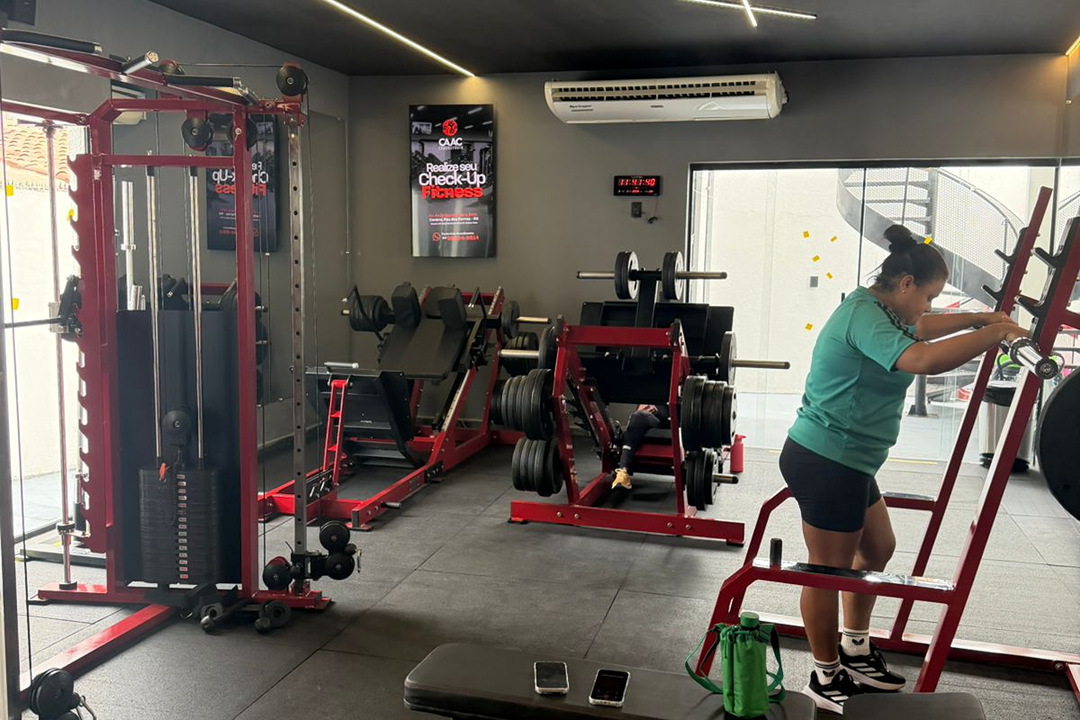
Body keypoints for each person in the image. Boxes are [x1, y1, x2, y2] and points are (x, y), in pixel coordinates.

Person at [782, 225, 1025, 714]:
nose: (929, 307)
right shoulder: (863, 315)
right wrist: (994, 335)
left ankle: (854, 647)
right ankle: (824, 676)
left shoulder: (884, 309)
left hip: (850, 460)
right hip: (827, 458)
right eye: (929, 296)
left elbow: (923, 327)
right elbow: (922, 358)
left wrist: (981, 318)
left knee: (878, 548)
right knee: (827, 573)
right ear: (906, 283)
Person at [612, 404, 669, 489]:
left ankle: (623, 469)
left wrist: (655, 410)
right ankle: (623, 471)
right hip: (640, 419)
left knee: (638, 416)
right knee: (635, 420)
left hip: (659, 420)